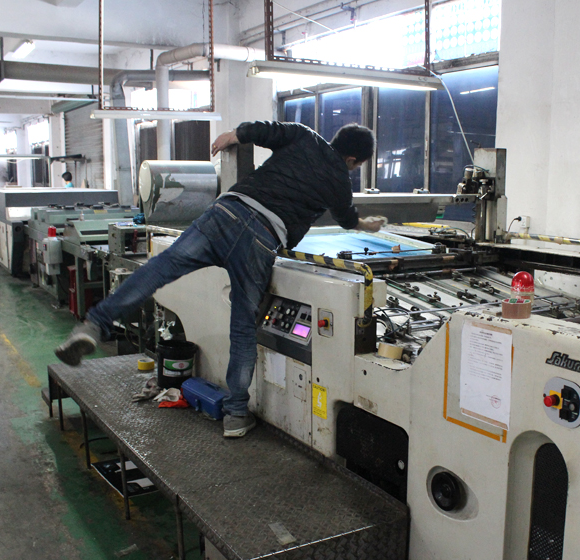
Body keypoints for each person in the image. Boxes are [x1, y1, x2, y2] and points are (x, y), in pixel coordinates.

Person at [54, 121, 384, 438]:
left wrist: (233, 135)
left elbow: (264, 130)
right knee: (243, 326)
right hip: (261, 239)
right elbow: (346, 218)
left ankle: (93, 326)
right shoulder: (340, 180)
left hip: (225, 214)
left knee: (158, 270)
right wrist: (365, 225)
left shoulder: (304, 136)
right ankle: (236, 415)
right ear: (352, 160)